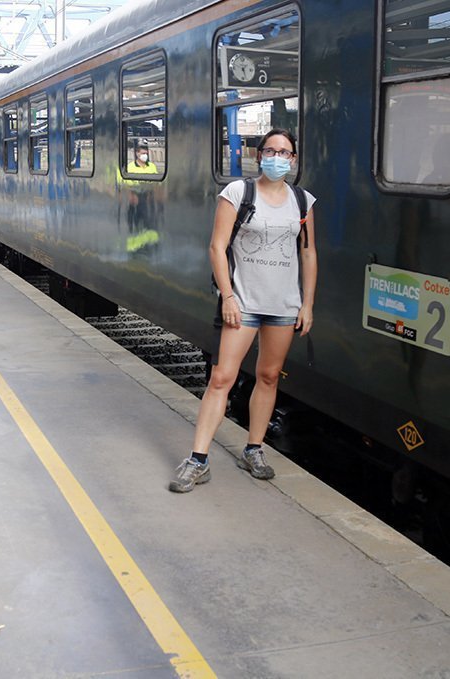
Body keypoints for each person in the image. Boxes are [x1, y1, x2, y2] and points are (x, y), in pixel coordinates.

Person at [169, 128, 317, 492]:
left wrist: (307, 303)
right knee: (222, 377)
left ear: (294, 160)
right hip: (245, 303)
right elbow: (217, 248)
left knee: (269, 376)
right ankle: (198, 459)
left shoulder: (303, 202)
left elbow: (309, 252)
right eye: (271, 150)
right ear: (258, 155)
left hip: (283, 305)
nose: (278, 157)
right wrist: (228, 296)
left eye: (285, 153)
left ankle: (254, 448)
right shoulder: (238, 193)